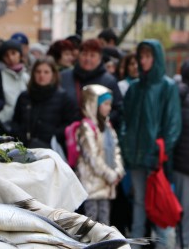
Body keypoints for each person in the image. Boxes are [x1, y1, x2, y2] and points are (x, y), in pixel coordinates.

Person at [121, 39, 182, 249]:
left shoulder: (168, 87)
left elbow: (173, 125)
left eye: (148, 57)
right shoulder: (135, 88)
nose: (143, 61)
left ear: (156, 59)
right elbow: (125, 120)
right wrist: (126, 146)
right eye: (141, 56)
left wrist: (159, 149)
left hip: (157, 160)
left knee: (158, 206)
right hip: (136, 158)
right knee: (138, 205)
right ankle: (136, 246)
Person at [76, 84, 125, 224]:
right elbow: (92, 157)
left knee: (104, 221)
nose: (109, 108)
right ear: (94, 105)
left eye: (110, 104)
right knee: (92, 222)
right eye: (105, 104)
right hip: (92, 184)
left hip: (106, 183)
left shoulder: (107, 125)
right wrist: (110, 174)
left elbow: (116, 149)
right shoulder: (86, 127)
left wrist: (118, 170)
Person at [10, 56, 78, 150]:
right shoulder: (24, 97)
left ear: (53, 74)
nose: (41, 75)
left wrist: (53, 135)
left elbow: (70, 125)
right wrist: (21, 136)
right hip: (25, 148)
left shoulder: (64, 98)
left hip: (52, 149)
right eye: (38, 71)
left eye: (46, 72)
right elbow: (15, 122)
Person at [60, 38, 123, 131]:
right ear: (78, 55)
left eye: (92, 55)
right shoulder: (64, 77)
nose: (87, 59)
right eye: (84, 54)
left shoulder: (109, 81)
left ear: (99, 58)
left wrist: (100, 121)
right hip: (67, 133)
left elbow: (118, 110)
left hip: (96, 135)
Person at [0, 39, 30, 131]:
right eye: (6, 55)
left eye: (13, 53)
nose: (10, 58)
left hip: (22, 124)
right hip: (3, 123)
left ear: (20, 55)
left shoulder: (26, 77)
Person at [173, 60, 189, 249]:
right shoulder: (182, 96)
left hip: (180, 164)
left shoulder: (178, 94)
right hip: (184, 164)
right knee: (184, 213)